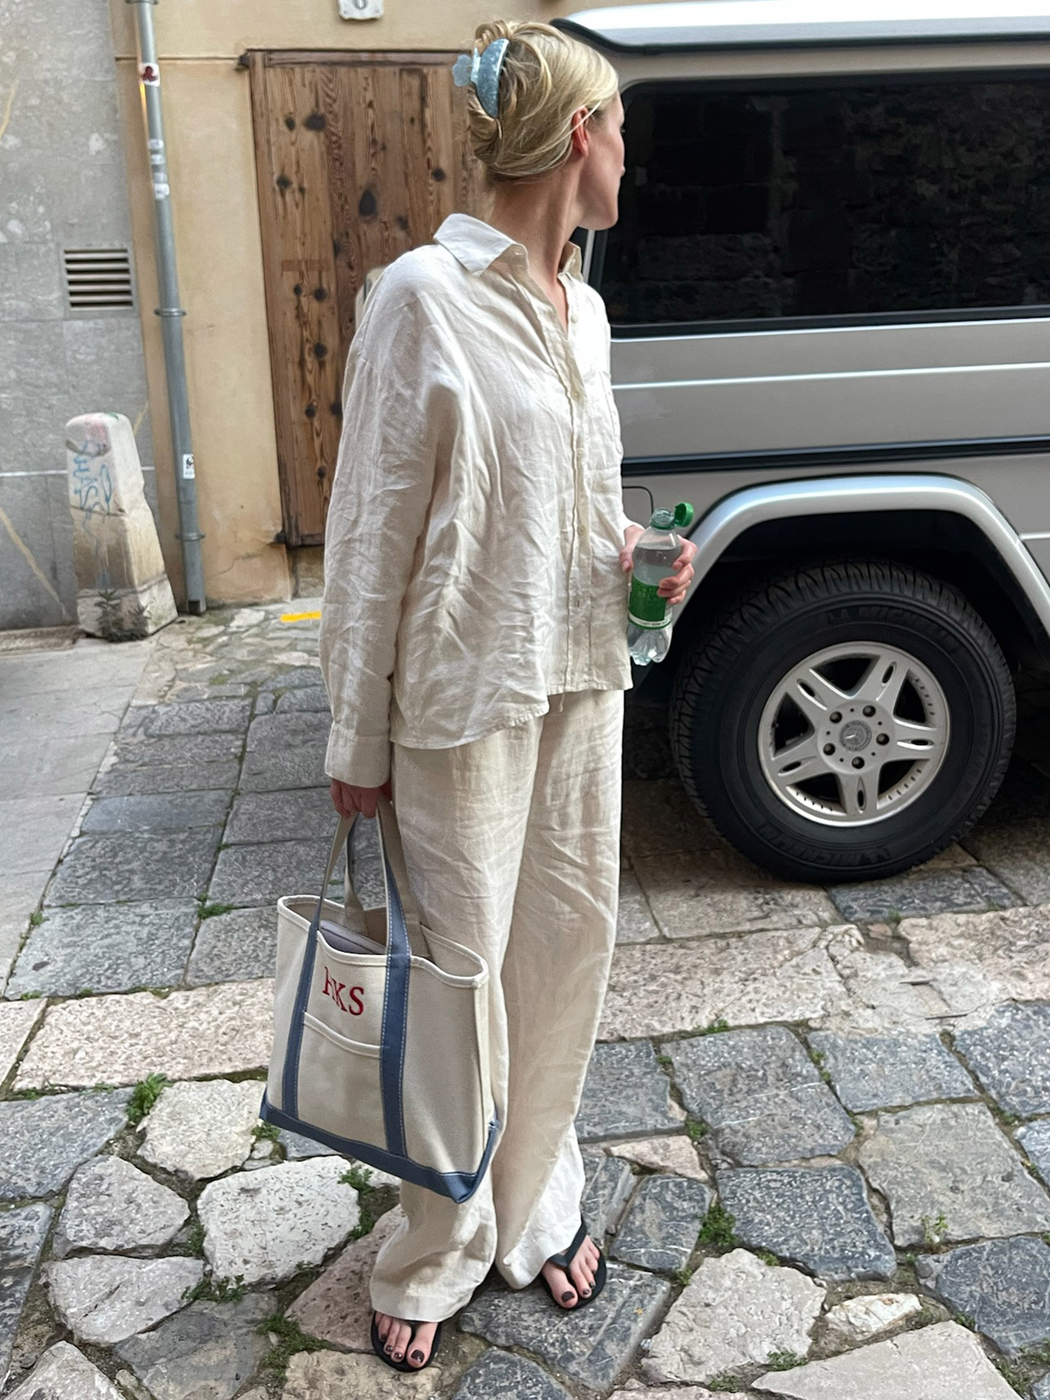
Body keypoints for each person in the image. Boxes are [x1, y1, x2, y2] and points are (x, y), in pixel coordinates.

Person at [319, 18, 697, 1374]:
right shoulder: (420, 295)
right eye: (622, 131)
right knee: (459, 984)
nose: (627, 159)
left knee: (565, 953)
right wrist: (354, 732)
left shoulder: (584, 310)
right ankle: (435, 1240)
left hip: (581, 680)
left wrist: (636, 554)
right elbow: (371, 528)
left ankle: (535, 1198)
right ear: (581, 136)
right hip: (460, 697)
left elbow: (570, 506)